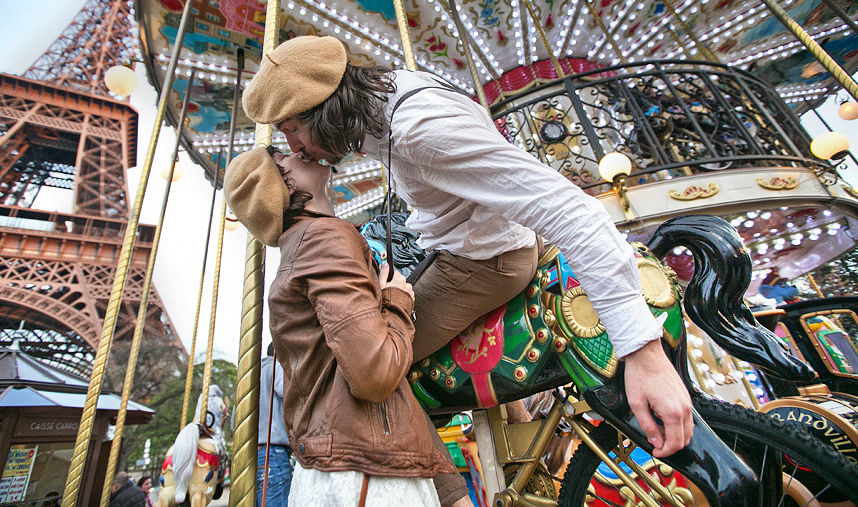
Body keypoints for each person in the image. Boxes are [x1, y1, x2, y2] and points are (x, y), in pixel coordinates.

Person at [241, 36, 694, 506]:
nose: (291, 144)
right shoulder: (386, 101)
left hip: (484, 262)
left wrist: (644, 353)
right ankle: (521, 424)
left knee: (373, 372)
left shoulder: (419, 128)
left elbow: (574, 212)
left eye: (291, 128)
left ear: (323, 109)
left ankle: (454, 498)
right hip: (467, 246)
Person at [224, 145, 455, 507]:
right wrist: (397, 303)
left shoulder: (300, 248)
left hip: (334, 467)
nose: (298, 153)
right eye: (286, 159)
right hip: (365, 472)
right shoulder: (324, 238)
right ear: (280, 188)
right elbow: (374, 372)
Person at [256, 342, 292, 507]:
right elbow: (289, 392)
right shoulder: (276, 367)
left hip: (253, 454)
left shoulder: (251, 374)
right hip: (273, 452)